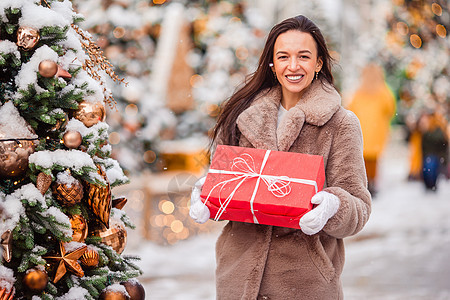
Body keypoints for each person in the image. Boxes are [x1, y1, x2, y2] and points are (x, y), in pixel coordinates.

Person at [190, 15, 371, 299]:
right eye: (283, 56)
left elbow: (359, 206)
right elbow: (225, 180)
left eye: (304, 56)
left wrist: (333, 206)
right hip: (238, 280)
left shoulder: (341, 124)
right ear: (272, 64)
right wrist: (206, 196)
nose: (294, 66)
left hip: (304, 284)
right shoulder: (242, 116)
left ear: (319, 63)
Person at [347, 63, 396, 196]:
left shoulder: (358, 91)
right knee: (374, 159)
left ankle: (365, 183)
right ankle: (372, 183)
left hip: (361, 130)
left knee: (362, 159)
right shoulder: (384, 91)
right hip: (377, 131)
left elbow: (350, 109)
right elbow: (390, 109)